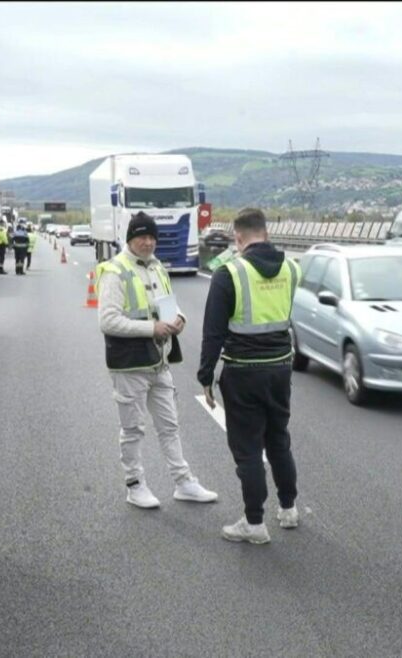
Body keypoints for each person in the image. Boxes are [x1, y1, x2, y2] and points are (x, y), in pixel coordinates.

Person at [97, 211, 218, 509]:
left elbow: (169, 305)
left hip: (159, 361)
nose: (148, 242)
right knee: (133, 429)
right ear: (130, 239)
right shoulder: (115, 271)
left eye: (152, 237)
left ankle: (183, 482)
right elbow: (108, 320)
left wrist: (179, 320)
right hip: (129, 365)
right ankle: (135, 485)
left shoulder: (157, 267)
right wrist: (152, 328)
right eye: (142, 237)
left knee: (169, 425)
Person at [198, 207, 301, 545]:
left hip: (243, 372)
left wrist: (206, 376)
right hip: (281, 369)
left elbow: (213, 332)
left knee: (248, 449)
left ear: (237, 238)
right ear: (266, 233)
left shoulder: (229, 273)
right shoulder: (291, 268)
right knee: (278, 440)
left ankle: (254, 523)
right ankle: (288, 509)